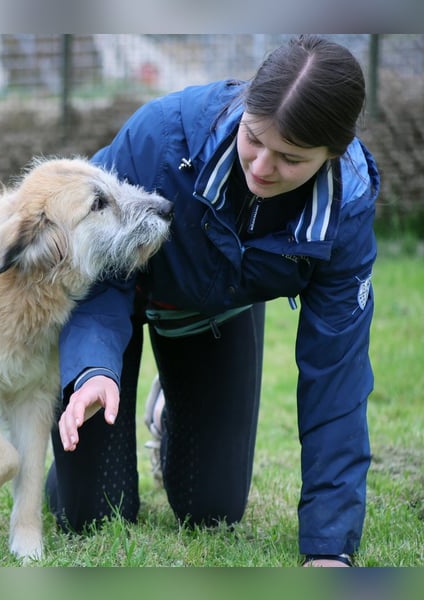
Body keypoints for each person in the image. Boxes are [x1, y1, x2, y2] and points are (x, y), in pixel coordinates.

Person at [47, 35, 379, 567]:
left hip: (214, 314)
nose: (263, 166)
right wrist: (91, 370)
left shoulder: (347, 211)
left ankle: (167, 408)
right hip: (114, 296)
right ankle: (82, 438)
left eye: (291, 158)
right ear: (244, 108)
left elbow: (337, 377)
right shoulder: (160, 137)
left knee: (211, 510)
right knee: (89, 515)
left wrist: (329, 548)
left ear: (332, 155)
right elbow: (91, 271)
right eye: (254, 138)